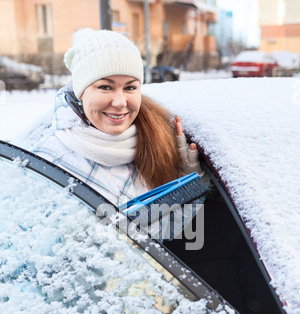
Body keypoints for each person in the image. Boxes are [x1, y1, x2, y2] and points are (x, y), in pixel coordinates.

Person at [32, 29, 204, 239]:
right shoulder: (46, 161)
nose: (120, 102)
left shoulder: (150, 144)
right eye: (105, 87)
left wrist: (186, 176)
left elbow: (164, 233)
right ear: (81, 91)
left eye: (130, 88)